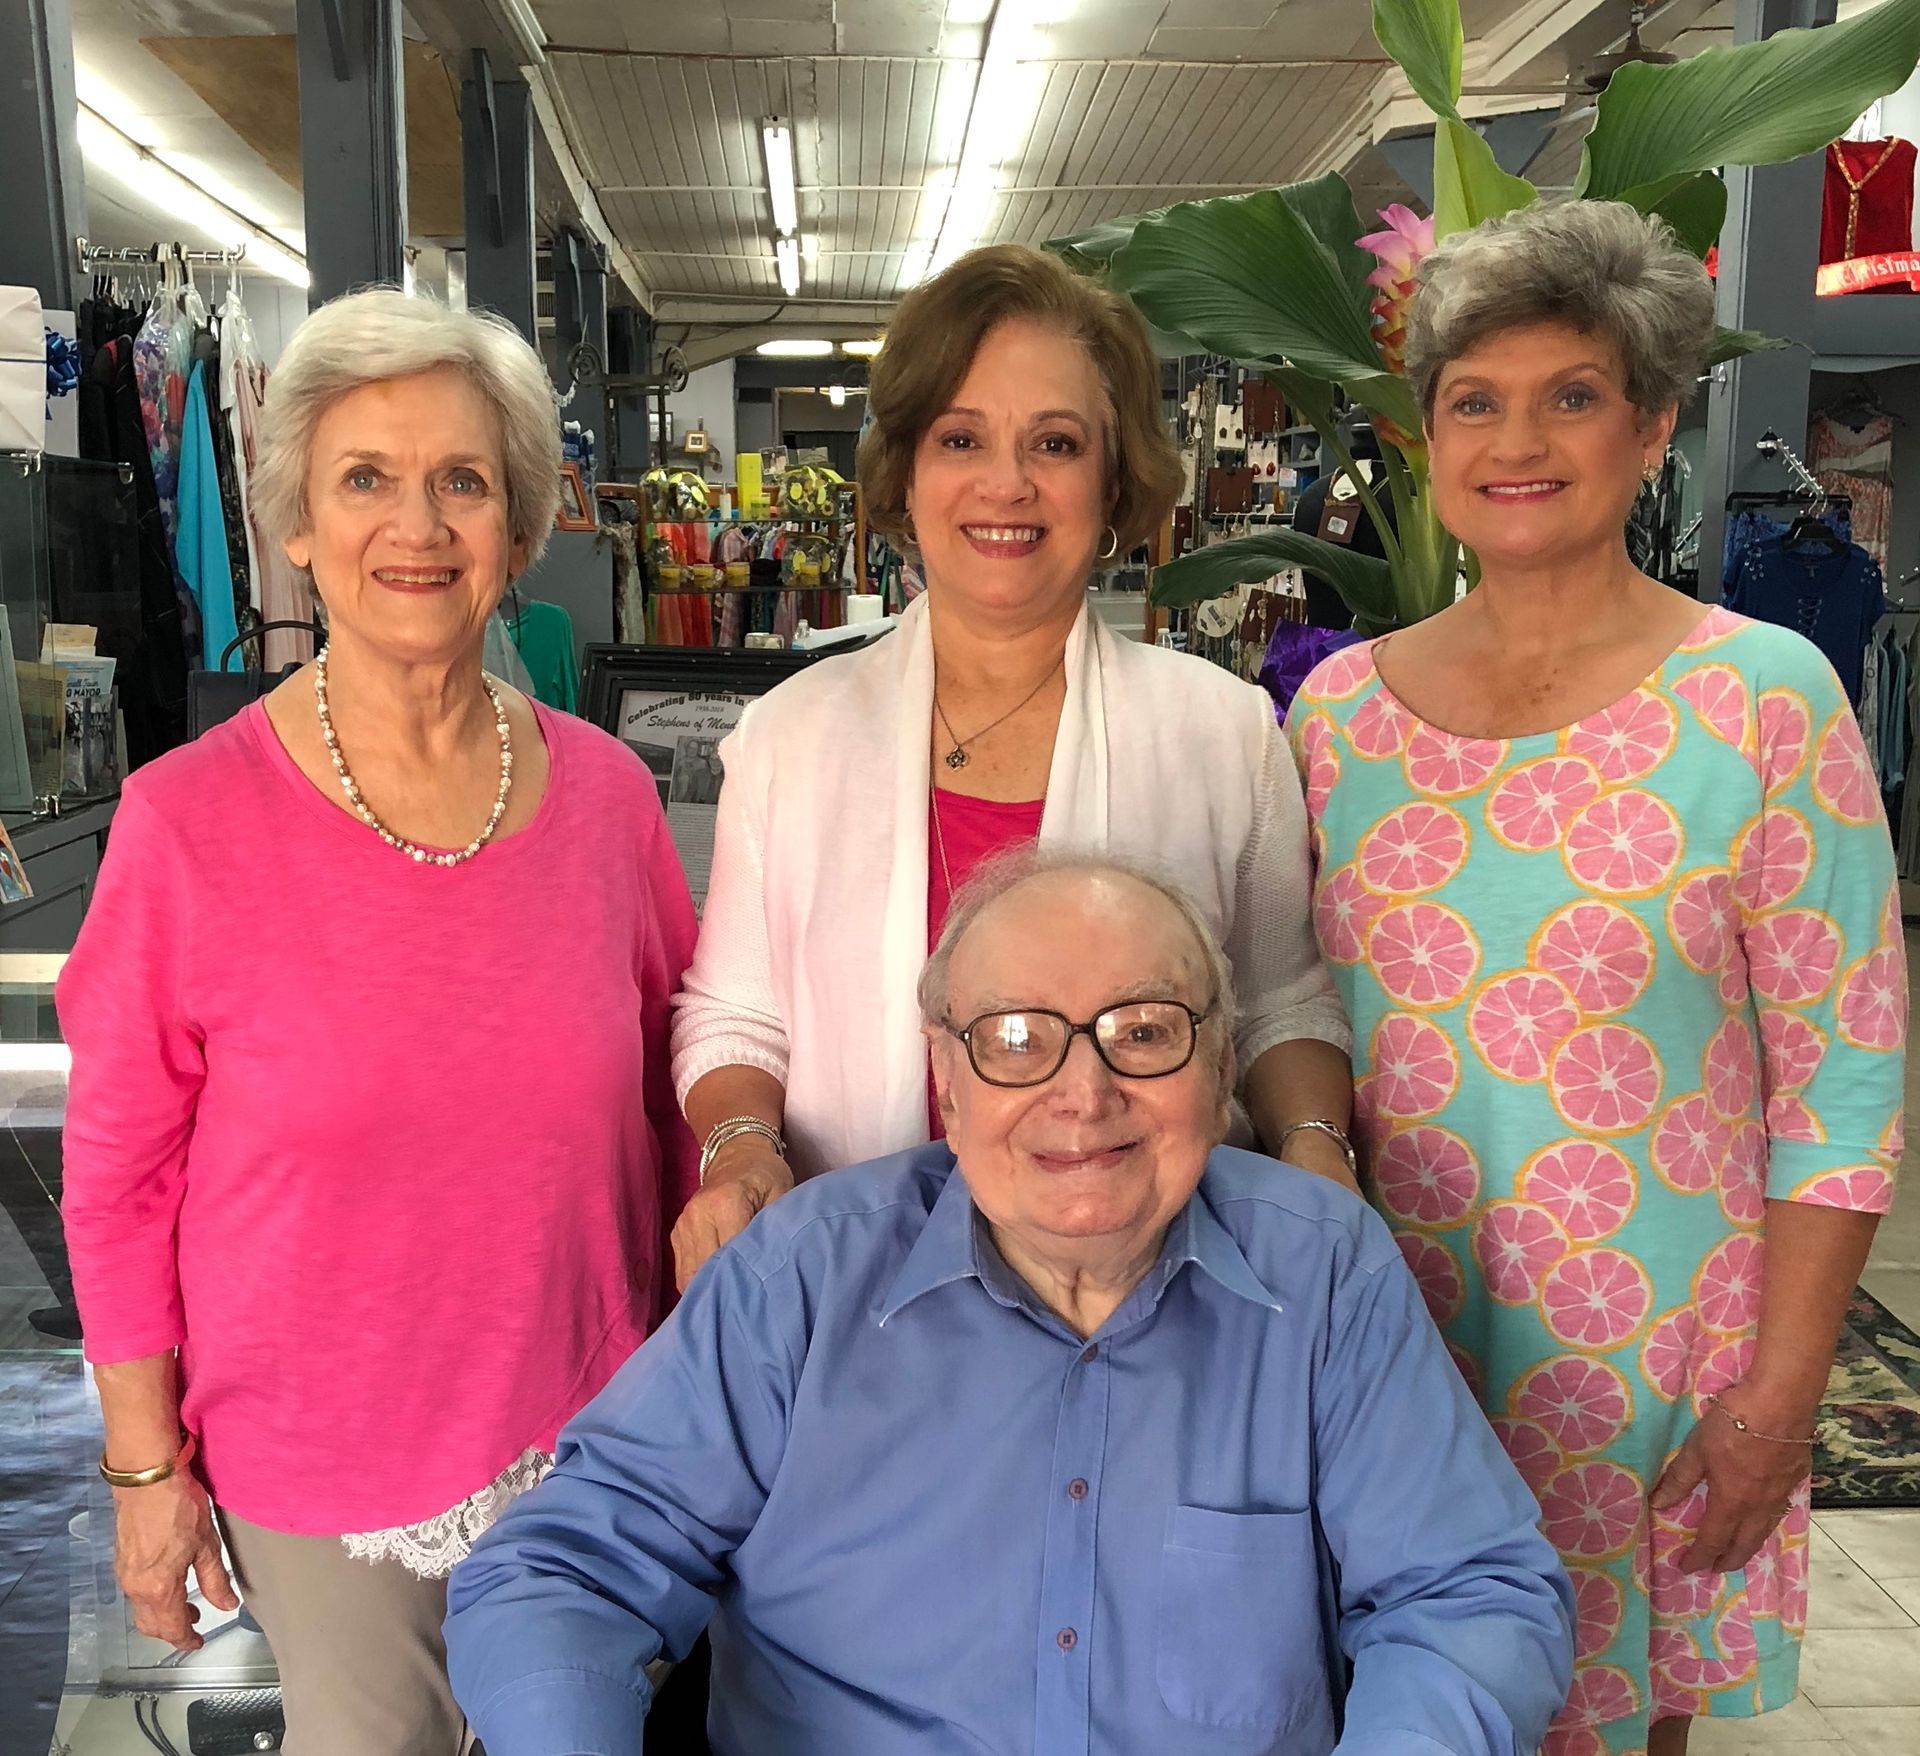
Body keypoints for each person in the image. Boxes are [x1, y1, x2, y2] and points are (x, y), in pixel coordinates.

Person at [445, 852, 1574, 1755]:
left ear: (1222, 1063)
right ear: (946, 1075)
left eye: (1144, 1031)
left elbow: (1469, 1594)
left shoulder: (1326, 1273)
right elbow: (560, 1572)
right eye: (1017, 1040)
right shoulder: (799, 1276)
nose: (1082, 1095)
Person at [1289, 200, 1906, 1756]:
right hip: (1388, 1335)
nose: (1521, 439)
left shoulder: (1763, 700)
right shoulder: (1339, 721)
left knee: (1612, 1716)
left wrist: (1779, 1396)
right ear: (1426, 432)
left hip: (1653, 1355)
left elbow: (1843, 1080)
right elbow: (1290, 1021)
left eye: (1571, 396)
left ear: (1650, 425)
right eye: (1475, 400)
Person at [56, 289, 699, 1755]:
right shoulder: (185, 826)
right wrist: (145, 1473)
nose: (418, 524)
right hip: (325, 1466)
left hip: (598, 1443)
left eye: (463, 481)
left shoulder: (608, 802)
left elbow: (678, 1098)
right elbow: (116, 1182)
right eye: (367, 480)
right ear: (293, 523)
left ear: (522, 531)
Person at [670, 243, 1354, 1288]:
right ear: (905, 469)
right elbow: (735, 1014)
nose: (1007, 483)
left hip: (1157, 1301)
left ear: (1116, 478)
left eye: (1056, 442)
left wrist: (1316, 1154)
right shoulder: (792, 736)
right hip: (861, 1296)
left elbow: (1283, 1004)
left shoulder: (1219, 733)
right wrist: (741, 1150)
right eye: (961, 436)